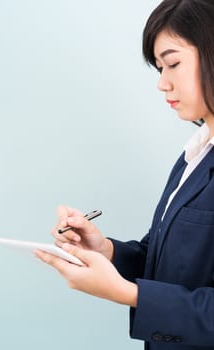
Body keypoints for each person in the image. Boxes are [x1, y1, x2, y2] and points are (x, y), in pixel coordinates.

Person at [35, 0, 214, 348]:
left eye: (173, 64)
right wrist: (105, 250)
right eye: (159, 68)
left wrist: (130, 294)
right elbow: (167, 262)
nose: (163, 83)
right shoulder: (196, 154)